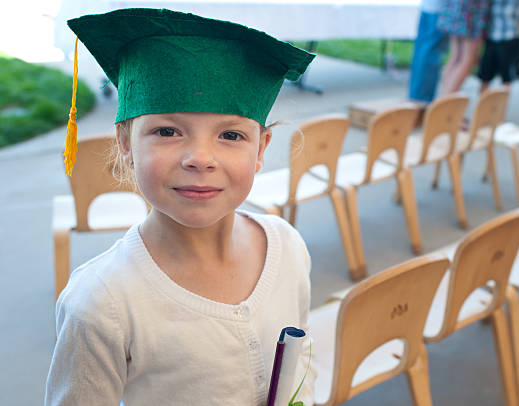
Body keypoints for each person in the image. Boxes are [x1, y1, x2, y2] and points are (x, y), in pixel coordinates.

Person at [45, 8, 316, 406]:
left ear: (261, 149)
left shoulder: (288, 246)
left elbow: (299, 370)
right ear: (125, 145)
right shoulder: (101, 303)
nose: (200, 158)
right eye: (167, 131)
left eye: (230, 134)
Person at [477, 0, 519, 93]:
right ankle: (482, 105)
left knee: (506, 78)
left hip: (511, 37)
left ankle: (502, 105)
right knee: (485, 75)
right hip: (491, 36)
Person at [437, 0, 490, 94]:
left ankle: (445, 99)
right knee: (468, 59)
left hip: (458, 8)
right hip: (471, 10)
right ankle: (446, 101)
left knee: (456, 57)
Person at [408, 0, 449, 103]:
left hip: (430, 7)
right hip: (439, 9)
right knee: (430, 55)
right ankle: (422, 102)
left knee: (423, 52)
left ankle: (417, 99)